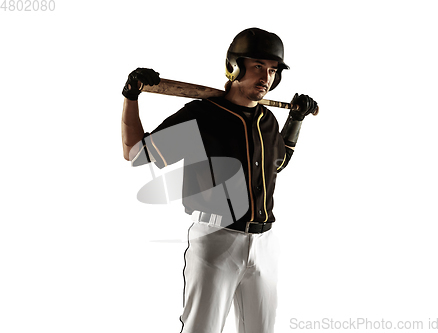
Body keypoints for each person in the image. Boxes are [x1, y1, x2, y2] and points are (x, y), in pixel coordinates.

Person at [121, 27, 318, 333]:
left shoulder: (267, 119)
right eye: (257, 67)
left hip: (265, 243)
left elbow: (276, 164)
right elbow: (136, 154)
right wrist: (131, 97)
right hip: (216, 239)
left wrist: (295, 120)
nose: (265, 77)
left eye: (272, 70)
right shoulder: (203, 115)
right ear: (234, 66)